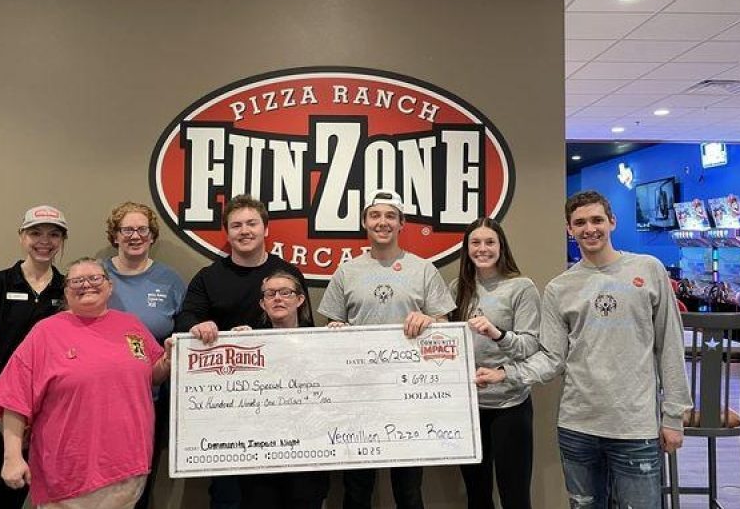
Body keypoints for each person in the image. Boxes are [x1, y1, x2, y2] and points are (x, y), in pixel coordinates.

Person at [482, 190, 692, 509]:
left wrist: (674, 415)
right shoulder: (559, 288)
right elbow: (552, 358)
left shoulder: (648, 270)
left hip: (635, 427)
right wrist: (505, 375)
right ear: (570, 229)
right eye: (579, 223)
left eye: (596, 220)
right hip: (577, 427)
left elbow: (671, 345)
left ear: (612, 222)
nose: (589, 228)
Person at [0, 257, 174, 509]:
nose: (86, 285)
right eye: (76, 280)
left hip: (129, 468)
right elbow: (14, 398)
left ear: (110, 287)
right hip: (69, 474)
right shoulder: (46, 332)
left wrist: (168, 360)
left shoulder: (131, 325)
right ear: (66, 291)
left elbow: (151, 374)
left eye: (95, 278)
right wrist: (11, 457)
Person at [317, 189, 455, 509]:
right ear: (364, 222)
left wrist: (430, 321)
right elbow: (332, 328)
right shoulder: (347, 271)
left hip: (409, 395)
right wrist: (334, 330)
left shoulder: (423, 269)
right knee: (357, 489)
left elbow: (445, 326)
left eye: (390, 216)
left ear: (402, 223)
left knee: (408, 490)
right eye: (375, 215)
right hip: (357, 396)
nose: (383, 222)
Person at [173, 193, 308, 509]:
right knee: (228, 495)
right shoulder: (209, 277)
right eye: (236, 225)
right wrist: (200, 326)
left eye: (251, 223)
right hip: (227, 406)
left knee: (284, 493)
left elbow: (305, 334)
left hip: (283, 401)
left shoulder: (287, 273)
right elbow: (186, 318)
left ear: (265, 228)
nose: (244, 230)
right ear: (227, 232)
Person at [0, 205, 69, 509]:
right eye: (35, 232)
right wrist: (3, 415)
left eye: (53, 234)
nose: (44, 240)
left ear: (62, 241)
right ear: (22, 237)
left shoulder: (68, 289)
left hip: (41, 422)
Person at [451, 218, 539, 509]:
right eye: (475, 242)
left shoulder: (521, 287)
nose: (483, 249)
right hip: (470, 408)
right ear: (467, 248)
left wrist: (497, 334)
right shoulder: (457, 288)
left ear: (501, 247)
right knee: (476, 495)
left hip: (509, 406)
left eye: (490, 242)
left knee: (514, 495)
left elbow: (530, 346)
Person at [103, 201, 186, 509]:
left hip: (151, 395)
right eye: (127, 230)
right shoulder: (97, 276)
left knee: (139, 476)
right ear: (115, 236)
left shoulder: (171, 280)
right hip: (101, 396)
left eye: (142, 229)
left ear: (152, 236)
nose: (135, 236)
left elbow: (184, 332)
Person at [231, 271, 329, 509]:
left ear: (300, 300)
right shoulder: (246, 343)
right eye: (270, 294)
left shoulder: (323, 342)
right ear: (262, 304)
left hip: (309, 455)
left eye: (285, 293)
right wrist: (231, 344)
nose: (278, 298)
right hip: (260, 456)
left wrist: (341, 337)